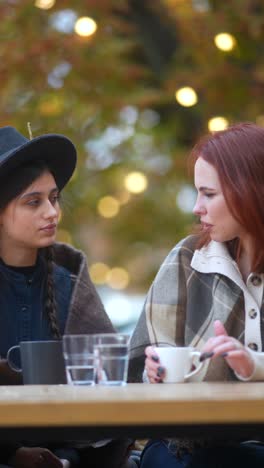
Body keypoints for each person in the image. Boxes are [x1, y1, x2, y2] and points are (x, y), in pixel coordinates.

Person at [128, 122, 264, 467]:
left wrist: (252, 365)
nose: (196, 207)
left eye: (209, 194)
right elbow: (144, 362)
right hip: (191, 443)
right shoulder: (188, 259)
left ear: (250, 191)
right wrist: (154, 372)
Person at [0, 126, 133, 468]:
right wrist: (11, 454)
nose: (52, 212)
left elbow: (112, 394)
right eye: (34, 202)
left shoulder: (71, 287)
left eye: (54, 198)